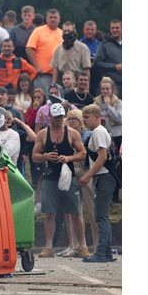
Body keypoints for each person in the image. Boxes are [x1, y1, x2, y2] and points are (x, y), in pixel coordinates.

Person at [32, 103, 90, 258]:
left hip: (68, 176)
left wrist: (69, 158)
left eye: (60, 117)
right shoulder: (43, 134)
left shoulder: (71, 133)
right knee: (49, 213)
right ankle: (49, 246)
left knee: (75, 212)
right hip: (50, 176)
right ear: (49, 117)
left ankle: (82, 246)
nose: (58, 120)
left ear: (62, 117)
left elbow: (83, 153)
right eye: (55, 117)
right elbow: (35, 156)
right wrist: (45, 156)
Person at [80, 104, 118, 263]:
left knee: (100, 216)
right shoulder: (100, 131)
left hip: (104, 177)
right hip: (105, 177)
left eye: (86, 117)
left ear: (97, 117)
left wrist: (88, 175)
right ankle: (106, 253)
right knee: (103, 216)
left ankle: (101, 253)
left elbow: (102, 157)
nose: (84, 121)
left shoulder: (98, 132)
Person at [65, 109, 98, 254]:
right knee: (72, 211)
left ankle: (98, 246)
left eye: (74, 118)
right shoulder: (65, 135)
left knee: (92, 210)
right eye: (69, 118)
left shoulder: (88, 135)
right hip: (71, 172)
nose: (71, 121)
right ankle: (75, 245)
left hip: (86, 170)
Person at [25, 8, 63, 92]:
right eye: (50, 17)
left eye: (55, 17)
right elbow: (29, 49)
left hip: (59, 75)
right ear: (46, 19)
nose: (53, 19)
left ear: (59, 19)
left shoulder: (62, 33)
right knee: (43, 98)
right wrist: (36, 67)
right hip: (43, 74)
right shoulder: (38, 31)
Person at [51, 21, 92, 85]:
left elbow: (86, 69)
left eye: (69, 31)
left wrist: (86, 87)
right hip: (63, 81)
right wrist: (53, 84)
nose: (67, 33)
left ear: (74, 31)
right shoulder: (58, 49)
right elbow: (56, 69)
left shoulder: (83, 48)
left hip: (78, 81)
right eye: (65, 31)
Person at [94, 20, 122, 98]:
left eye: (117, 28)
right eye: (112, 28)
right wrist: (115, 67)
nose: (115, 30)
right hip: (112, 85)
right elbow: (97, 62)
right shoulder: (104, 44)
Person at [93, 77, 122, 150]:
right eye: (103, 89)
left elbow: (118, 119)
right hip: (102, 135)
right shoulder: (96, 102)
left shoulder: (118, 103)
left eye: (107, 89)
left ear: (112, 89)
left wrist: (108, 105)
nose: (105, 91)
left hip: (116, 136)